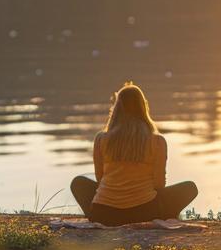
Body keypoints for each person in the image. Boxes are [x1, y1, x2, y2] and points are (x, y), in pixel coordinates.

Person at [70, 82, 198, 225]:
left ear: (116, 109)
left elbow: (101, 180)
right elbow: (159, 185)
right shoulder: (157, 141)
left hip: (103, 213)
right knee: (189, 188)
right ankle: (166, 216)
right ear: (143, 108)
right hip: (144, 213)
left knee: (79, 183)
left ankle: (95, 218)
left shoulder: (101, 139)